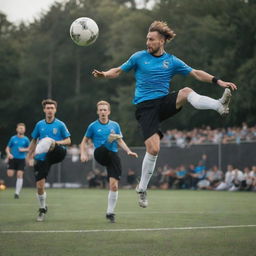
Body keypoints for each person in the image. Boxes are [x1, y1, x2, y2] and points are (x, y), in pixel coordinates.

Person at [92, 20, 237, 208]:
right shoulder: (138, 57)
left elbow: (196, 73)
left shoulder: (172, 61)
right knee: (154, 149)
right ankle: (142, 188)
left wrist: (218, 81)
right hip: (145, 108)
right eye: (147, 39)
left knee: (185, 91)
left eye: (151, 39)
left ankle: (219, 105)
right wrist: (104, 74)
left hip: (163, 103)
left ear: (161, 41)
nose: (147, 42)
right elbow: (118, 70)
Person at [80, 100, 138, 223]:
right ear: (97, 112)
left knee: (114, 186)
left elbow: (120, 141)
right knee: (105, 146)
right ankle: (109, 140)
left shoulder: (115, 125)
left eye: (105, 109)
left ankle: (110, 213)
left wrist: (128, 151)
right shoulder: (93, 126)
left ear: (109, 111)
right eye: (100, 110)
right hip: (100, 154)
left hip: (112, 156)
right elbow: (83, 141)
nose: (102, 112)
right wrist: (83, 153)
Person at [26, 99, 71, 222]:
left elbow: (68, 141)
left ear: (55, 110)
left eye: (52, 108)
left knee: (48, 141)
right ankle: (42, 209)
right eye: (48, 108)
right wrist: (29, 156)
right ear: (44, 110)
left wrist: (55, 142)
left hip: (57, 152)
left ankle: (49, 143)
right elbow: (34, 141)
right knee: (40, 186)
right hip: (43, 157)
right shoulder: (39, 125)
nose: (50, 110)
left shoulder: (60, 124)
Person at [5, 123, 30, 199]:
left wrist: (24, 149)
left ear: (24, 130)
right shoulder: (13, 138)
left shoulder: (26, 139)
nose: (21, 129)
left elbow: (30, 149)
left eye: (22, 128)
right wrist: (9, 154)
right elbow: (7, 148)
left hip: (21, 159)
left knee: (19, 174)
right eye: (20, 128)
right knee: (10, 174)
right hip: (12, 159)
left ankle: (17, 193)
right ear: (17, 129)